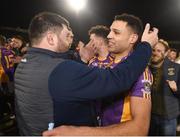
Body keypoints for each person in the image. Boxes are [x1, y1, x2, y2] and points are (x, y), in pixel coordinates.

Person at [15, 11, 158, 135]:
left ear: (133, 38)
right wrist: (146, 47)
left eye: (116, 32)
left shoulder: (24, 63)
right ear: (51, 38)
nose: (108, 36)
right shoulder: (68, 68)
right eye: (67, 35)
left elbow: (140, 128)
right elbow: (114, 79)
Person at [148, 39, 180, 135]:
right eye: (153, 50)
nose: (155, 53)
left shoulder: (176, 68)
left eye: (159, 51)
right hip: (149, 116)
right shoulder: (145, 68)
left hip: (168, 117)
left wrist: (176, 89)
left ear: (166, 53)